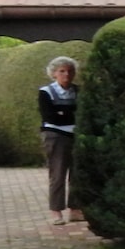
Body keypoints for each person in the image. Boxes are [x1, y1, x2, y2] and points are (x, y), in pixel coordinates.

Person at [39, 56, 81, 226]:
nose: (67, 74)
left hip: (76, 135)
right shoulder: (46, 92)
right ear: (54, 73)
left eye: (70, 71)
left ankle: (75, 210)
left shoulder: (78, 91)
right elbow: (49, 117)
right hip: (55, 136)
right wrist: (69, 116)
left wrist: (63, 114)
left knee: (78, 174)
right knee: (57, 175)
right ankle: (56, 212)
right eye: (62, 71)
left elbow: (83, 114)